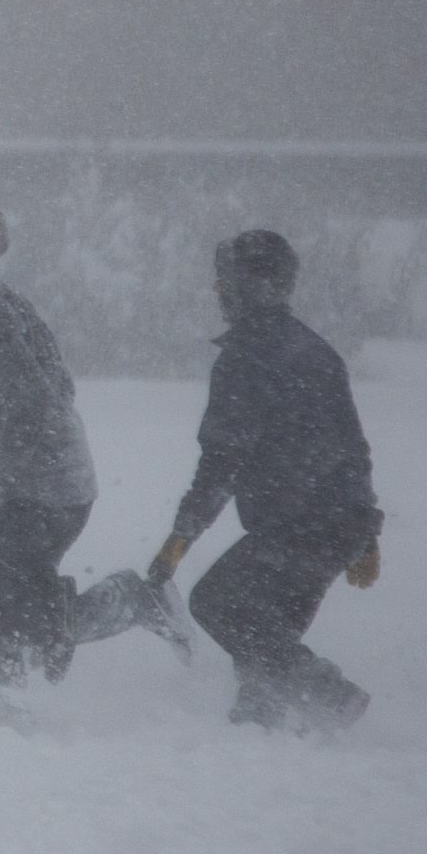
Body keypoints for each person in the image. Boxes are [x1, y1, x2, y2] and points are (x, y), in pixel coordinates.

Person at [0, 198, 187, 689]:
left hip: (38, 490)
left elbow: (36, 405)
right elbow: (55, 389)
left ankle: (127, 602)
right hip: (49, 482)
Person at [147, 229, 383, 732]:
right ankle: (261, 736)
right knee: (264, 641)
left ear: (245, 285)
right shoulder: (316, 352)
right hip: (336, 528)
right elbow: (354, 450)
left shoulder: (245, 359)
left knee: (217, 602)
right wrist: (366, 532)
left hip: (295, 527)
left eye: (223, 281)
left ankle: (327, 692)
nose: (216, 291)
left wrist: (180, 538)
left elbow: (222, 461)